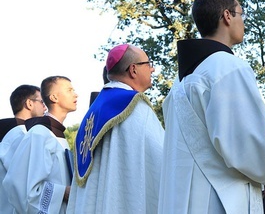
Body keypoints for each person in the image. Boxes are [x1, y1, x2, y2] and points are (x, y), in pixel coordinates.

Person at [158, 0, 265, 214]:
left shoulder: (180, 83)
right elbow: (245, 147)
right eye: (241, 14)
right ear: (227, 16)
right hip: (218, 199)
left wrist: (260, 135)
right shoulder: (229, 68)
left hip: (186, 198)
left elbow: (210, 138)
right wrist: (264, 143)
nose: (243, 22)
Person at [67, 44, 164, 213]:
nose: (153, 69)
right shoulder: (135, 106)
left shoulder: (93, 111)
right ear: (133, 70)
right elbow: (161, 159)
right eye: (148, 64)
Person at [4, 76, 78, 214]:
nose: (76, 94)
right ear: (54, 97)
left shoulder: (57, 135)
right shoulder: (39, 134)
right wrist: (62, 193)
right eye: (69, 90)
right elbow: (21, 187)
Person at [0, 85, 46, 213]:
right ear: (29, 103)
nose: (45, 107)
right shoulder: (20, 135)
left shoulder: (9, 133)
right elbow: (24, 183)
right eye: (42, 102)